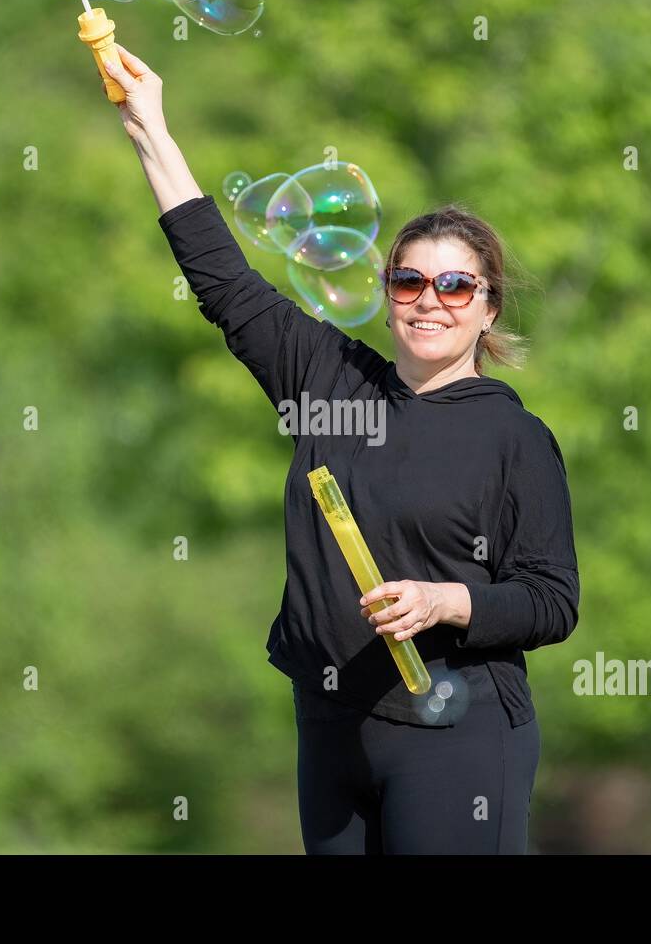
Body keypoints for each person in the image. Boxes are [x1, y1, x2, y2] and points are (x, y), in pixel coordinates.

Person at [101, 45, 580, 854]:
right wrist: (150, 129)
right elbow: (223, 281)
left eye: (455, 285)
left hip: (457, 737)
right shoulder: (328, 378)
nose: (429, 301)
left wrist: (444, 602)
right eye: (409, 282)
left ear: (489, 309)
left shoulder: (515, 439)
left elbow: (551, 600)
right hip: (330, 727)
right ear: (388, 292)